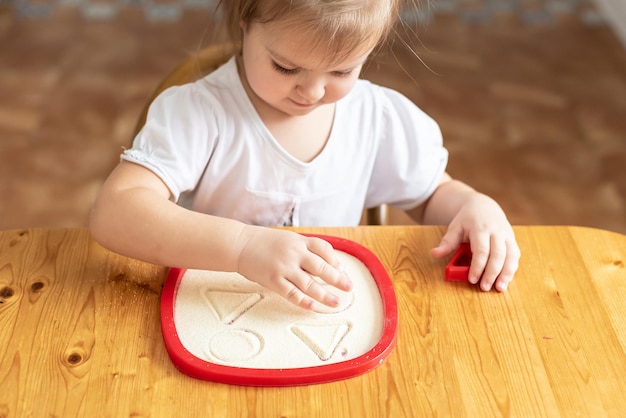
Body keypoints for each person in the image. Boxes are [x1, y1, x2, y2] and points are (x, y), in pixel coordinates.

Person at [90, 0, 520, 311]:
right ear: (245, 18)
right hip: (206, 310)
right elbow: (116, 212)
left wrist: (470, 204)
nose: (312, 92)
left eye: (342, 71)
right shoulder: (199, 113)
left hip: (327, 316)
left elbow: (429, 196)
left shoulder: (377, 118)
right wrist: (242, 247)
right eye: (286, 67)